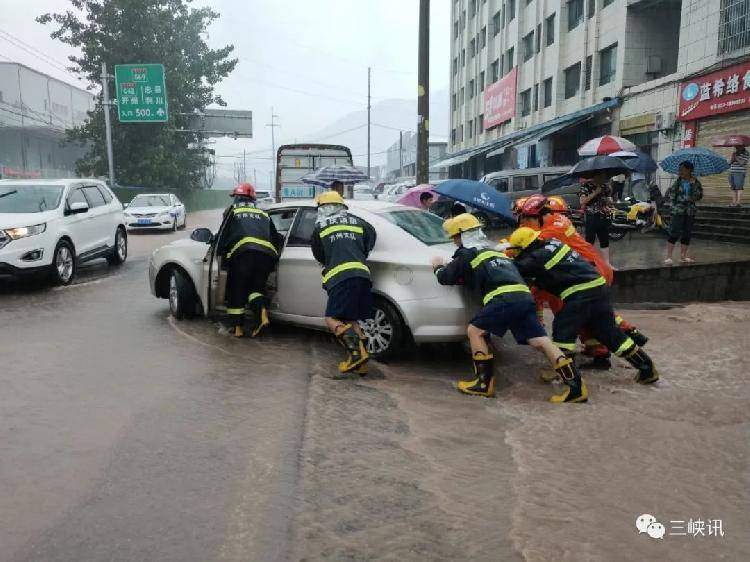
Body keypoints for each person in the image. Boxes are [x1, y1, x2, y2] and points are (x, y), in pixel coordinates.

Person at [431, 213, 588, 403]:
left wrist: (437, 266)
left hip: (503, 298)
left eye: (455, 237)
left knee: (475, 331)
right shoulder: (495, 252)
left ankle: (483, 384)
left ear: (461, 235)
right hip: (524, 297)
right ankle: (576, 387)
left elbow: (445, 277)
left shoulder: (467, 253)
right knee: (540, 341)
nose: (454, 241)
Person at [508, 226, 660, 386]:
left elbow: (516, 268)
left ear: (524, 247)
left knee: (563, 332)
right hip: (598, 288)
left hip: (580, 294)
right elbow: (550, 274)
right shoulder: (553, 243)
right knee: (611, 334)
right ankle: (647, 369)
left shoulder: (538, 256)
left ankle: (563, 374)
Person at [517, 195, 648, 371]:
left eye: (525, 218)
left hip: (582, 276)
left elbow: (526, 247)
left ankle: (567, 366)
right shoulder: (558, 222)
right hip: (591, 270)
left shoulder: (548, 232)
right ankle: (624, 342)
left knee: (569, 318)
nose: (523, 223)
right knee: (595, 315)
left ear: (539, 215)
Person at [311, 190, 377, 376]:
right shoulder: (358, 222)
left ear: (323, 208)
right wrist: (359, 252)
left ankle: (356, 356)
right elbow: (370, 238)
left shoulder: (320, 228)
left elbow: (319, 255)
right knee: (351, 318)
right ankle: (362, 364)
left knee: (331, 318)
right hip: (363, 275)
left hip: (340, 278)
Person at [219, 183, 283, 337]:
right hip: (266, 257)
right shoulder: (263, 214)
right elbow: (277, 238)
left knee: (237, 290)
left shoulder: (232, 211)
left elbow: (223, 235)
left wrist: (220, 249)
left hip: (243, 255)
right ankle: (261, 314)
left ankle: (237, 328)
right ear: (253, 199)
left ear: (237, 198)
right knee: (256, 289)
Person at [665, 161, 703, 265]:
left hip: (690, 211)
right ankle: (669, 256)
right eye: (679, 169)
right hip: (678, 210)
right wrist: (682, 198)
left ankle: (683, 256)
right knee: (674, 232)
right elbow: (672, 195)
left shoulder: (695, 182)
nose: (680, 171)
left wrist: (691, 192)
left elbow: (699, 195)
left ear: (689, 170)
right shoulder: (677, 182)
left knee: (687, 233)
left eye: (682, 169)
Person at [579, 171, 614, 264]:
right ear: (596, 176)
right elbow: (582, 201)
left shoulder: (605, 186)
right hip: (591, 217)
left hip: (603, 216)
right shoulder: (586, 186)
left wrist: (609, 200)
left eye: (605, 177)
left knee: (605, 240)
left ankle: (607, 264)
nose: (604, 179)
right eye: (602, 177)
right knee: (589, 241)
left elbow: (608, 200)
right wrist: (595, 192)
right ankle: (588, 263)